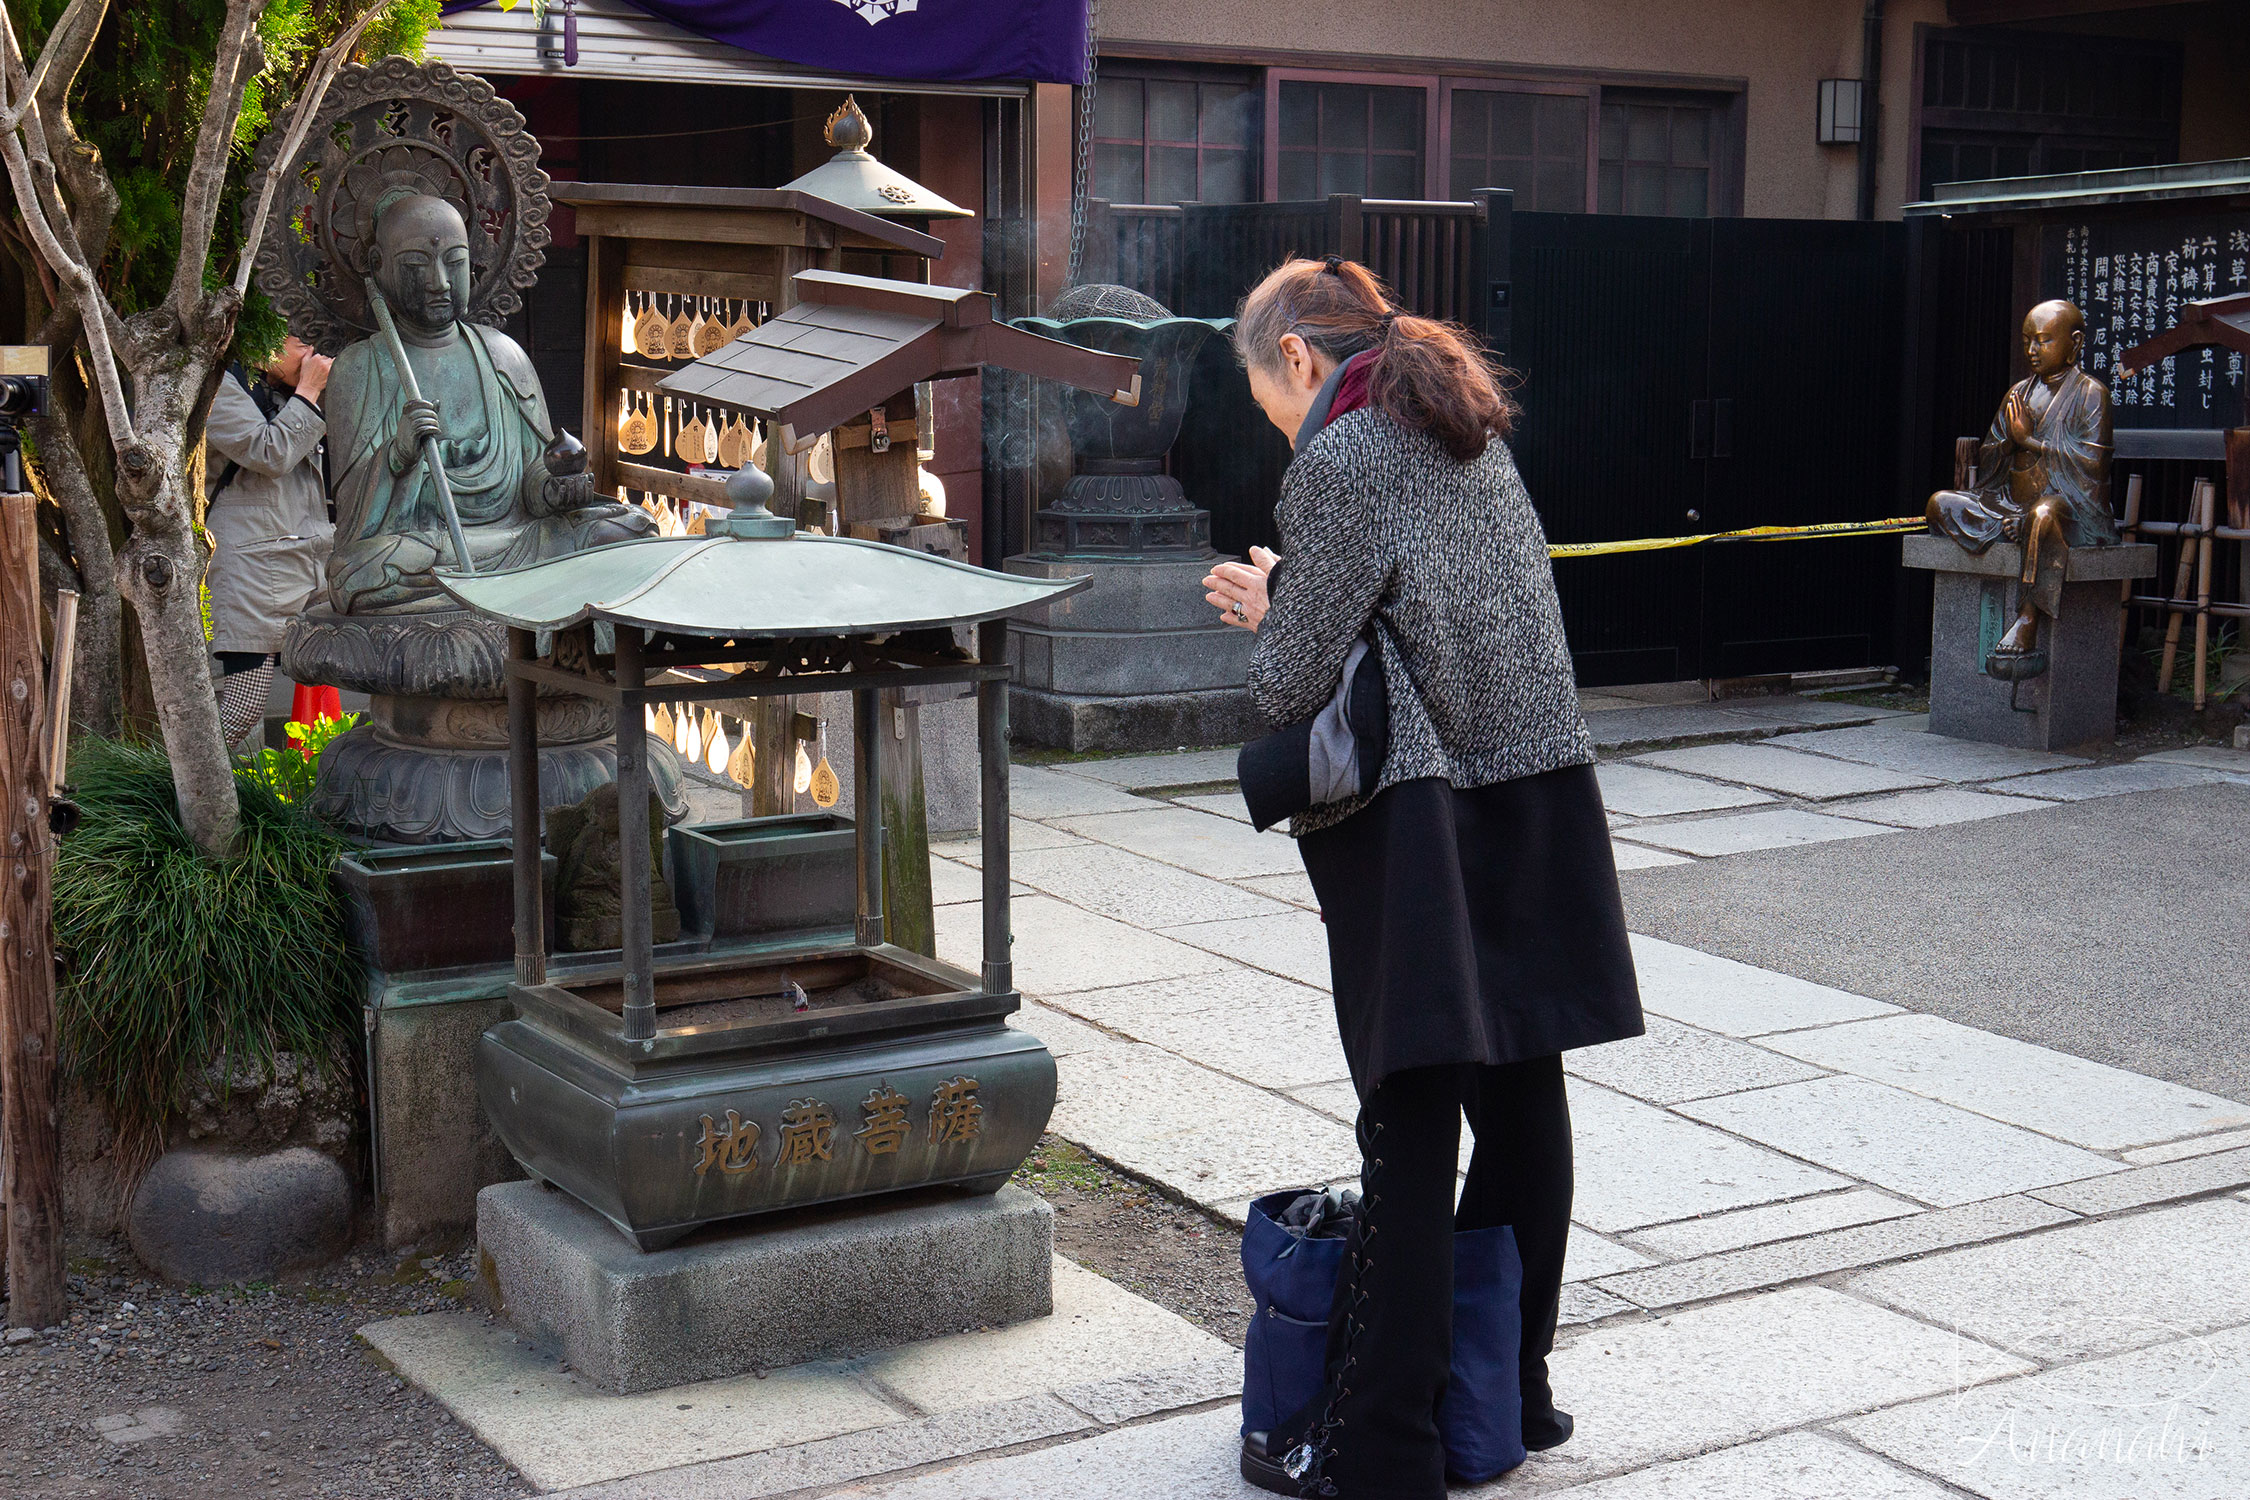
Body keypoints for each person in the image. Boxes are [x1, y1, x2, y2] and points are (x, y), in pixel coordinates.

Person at [1204, 256, 1644, 1500]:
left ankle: (1386, 1446)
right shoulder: (1470, 432)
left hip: (1423, 825)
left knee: (1406, 1114)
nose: (1278, 427)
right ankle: (1514, 1397)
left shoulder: (1343, 458)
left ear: (1297, 359)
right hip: (1539, 796)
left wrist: (1264, 604)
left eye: (1266, 401)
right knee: (1521, 1097)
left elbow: (1294, 682)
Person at [1924, 298, 2116, 670]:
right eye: (2027, 340)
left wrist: (2029, 441)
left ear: (2075, 343)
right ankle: (2019, 526)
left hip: (2068, 507)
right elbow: (1992, 455)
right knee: (1940, 503)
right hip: (2010, 503)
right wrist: (2009, 443)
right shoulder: (2020, 392)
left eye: (2043, 340)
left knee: (2043, 516)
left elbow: (2093, 463)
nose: (2032, 350)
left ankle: (2028, 616)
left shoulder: (2092, 394)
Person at [205, 334, 334, 751]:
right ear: (267, 341)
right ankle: (183, 793)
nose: (312, 356)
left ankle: (317, 788)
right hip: (253, 564)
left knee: (341, 684)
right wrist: (310, 390)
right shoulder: (220, 384)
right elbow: (268, 453)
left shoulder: (283, 391)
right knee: (244, 703)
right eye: (303, 344)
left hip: (310, 555)